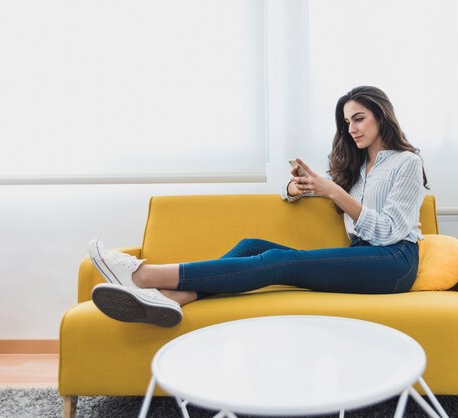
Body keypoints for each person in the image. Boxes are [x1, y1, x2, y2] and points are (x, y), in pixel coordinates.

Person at [89, 86, 428, 327]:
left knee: (279, 261)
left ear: (381, 117)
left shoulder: (406, 163)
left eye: (359, 119)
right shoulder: (356, 170)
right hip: (362, 255)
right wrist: (298, 186)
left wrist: (334, 193)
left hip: (393, 262)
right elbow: (291, 193)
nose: (352, 129)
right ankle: (177, 298)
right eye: (347, 123)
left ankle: (141, 275)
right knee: (252, 246)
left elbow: (387, 233)